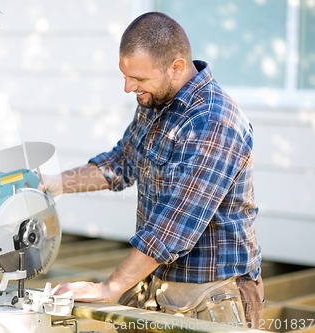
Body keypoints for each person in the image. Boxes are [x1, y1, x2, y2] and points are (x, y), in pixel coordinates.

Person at [47, 11, 264, 329]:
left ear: (176, 67)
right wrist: (51, 184)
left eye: (138, 79)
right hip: (156, 282)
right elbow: (122, 162)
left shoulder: (213, 121)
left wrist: (110, 287)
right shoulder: (156, 101)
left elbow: (173, 226)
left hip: (212, 295)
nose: (127, 88)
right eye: (125, 76)